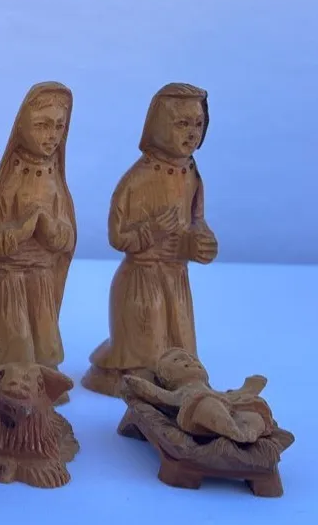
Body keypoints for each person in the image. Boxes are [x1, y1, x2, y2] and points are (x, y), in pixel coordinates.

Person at [82, 83, 217, 396]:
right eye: (182, 123)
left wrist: (200, 240)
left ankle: (178, 390)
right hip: (142, 281)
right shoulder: (138, 179)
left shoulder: (192, 172)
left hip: (176, 277)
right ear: (159, 126)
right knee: (145, 356)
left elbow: (196, 219)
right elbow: (118, 236)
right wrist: (151, 231)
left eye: (198, 124)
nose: (192, 133)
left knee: (181, 356)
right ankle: (135, 382)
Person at [0, 82, 77, 403]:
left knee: (43, 346)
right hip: (7, 281)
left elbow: (68, 236)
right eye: (42, 125)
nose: (52, 135)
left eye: (59, 126)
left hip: (41, 279)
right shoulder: (10, 179)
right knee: (13, 343)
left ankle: (42, 384)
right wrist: (21, 231)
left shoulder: (55, 178)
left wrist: (52, 231)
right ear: (23, 126)